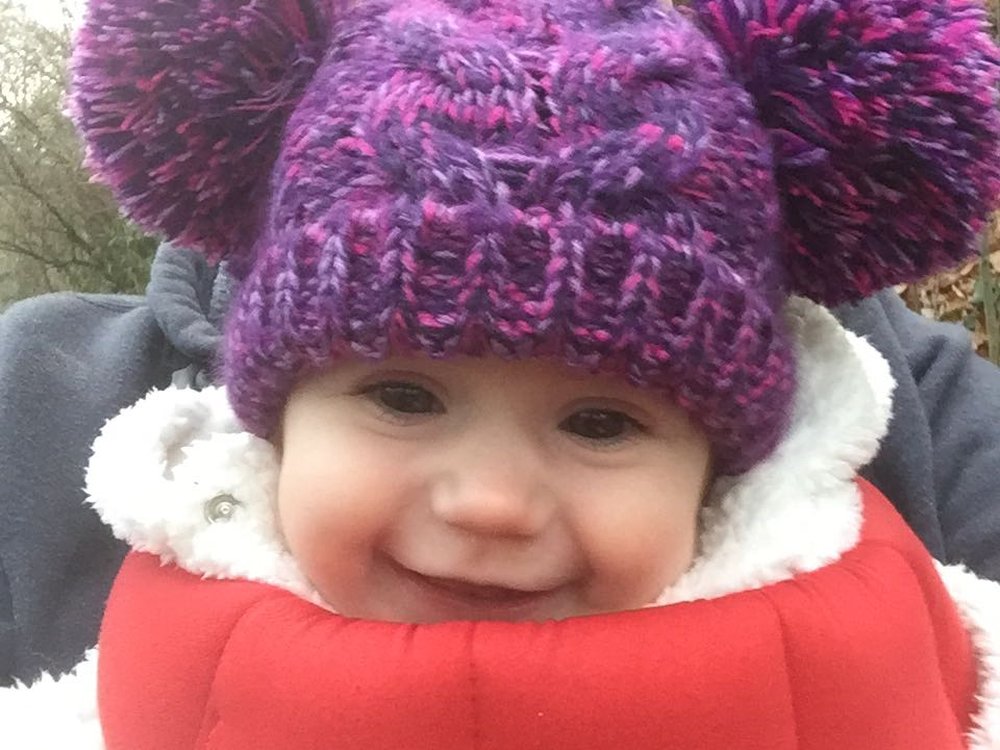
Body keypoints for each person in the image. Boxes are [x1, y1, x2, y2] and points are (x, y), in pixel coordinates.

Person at [1, 0, 1000, 743]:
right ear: (272, 425)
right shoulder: (37, 397)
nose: (490, 504)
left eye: (601, 423)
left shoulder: (931, 460)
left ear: (716, 477)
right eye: (402, 396)